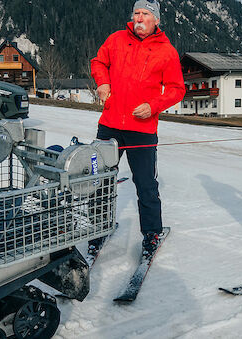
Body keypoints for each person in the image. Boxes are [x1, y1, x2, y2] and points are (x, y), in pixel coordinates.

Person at [89, 0, 185, 257]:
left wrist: (153, 106)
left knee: (145, 184)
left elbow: (177, 90)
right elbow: (98, 62)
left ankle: (152, 233)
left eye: (145, 14)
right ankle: (97, 230)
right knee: (100, 181)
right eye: (136, 13)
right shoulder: (116, 39)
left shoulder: (167, 51)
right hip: (109, 125)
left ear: (156, 20)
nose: (139, 18)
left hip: (142, 128)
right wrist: (102, 83)